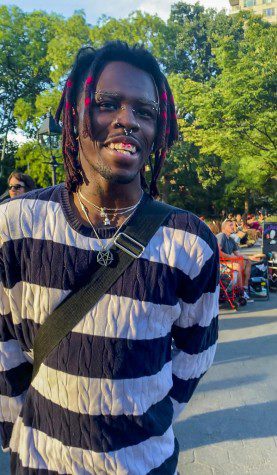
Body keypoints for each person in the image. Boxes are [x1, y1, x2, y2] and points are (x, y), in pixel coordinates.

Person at [0, 41, 219, 475]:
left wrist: (147, 419)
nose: (127, 121)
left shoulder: (190, 242)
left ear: (159, 129)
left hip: (145, 463)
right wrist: (18, 436)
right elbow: (5, 346)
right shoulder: (16, 225)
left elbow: (197, 352)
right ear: (75, 114)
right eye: (106, 104)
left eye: (145, 112)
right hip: (42, 462)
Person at [216, 219, 262, 299]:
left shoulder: (231, 240)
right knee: (237, 265)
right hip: (218, 263)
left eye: (232, 225)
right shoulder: (221, 236)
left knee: (247, 262)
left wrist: (250, 257)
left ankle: (245, 287)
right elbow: (218, 252)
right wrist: (231, 257)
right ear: (224, 227)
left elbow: (238, 254)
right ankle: (240, 292)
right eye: (230, 225)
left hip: (226, 262)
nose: (233, 227)